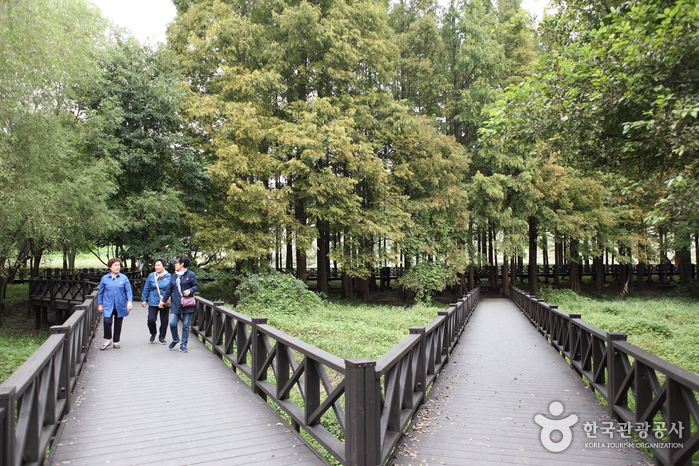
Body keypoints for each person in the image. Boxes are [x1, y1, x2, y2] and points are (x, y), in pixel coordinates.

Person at [159, 254, 198, 353]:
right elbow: (169, 289)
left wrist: (190, 290)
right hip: (176, 303)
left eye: (176, 263)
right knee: (172, 323)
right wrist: (163, 301)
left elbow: (196, 286)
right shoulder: (174, 276)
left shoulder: (191, 275)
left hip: (187, 303)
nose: (174, 264)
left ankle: (183, 344)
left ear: (182, 264)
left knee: (185, 325)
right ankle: (175, 339)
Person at [97, 258, 133, 350]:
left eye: (118, 265)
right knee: (107, 321)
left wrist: (129, 302)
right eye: (115, 265)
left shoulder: (123, 278)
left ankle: (116, 341)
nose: (117, 267)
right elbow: (100, 292)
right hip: (108, 304)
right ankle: (108, 339)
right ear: (110, 267)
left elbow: (128, 291)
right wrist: (100, 304)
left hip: (120, 304)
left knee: (118, 322)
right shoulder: (105, 278)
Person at [140, 257, 171, 344]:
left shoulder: (169, 276)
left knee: (164, 321)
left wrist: (165, 299)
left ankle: (162, 337)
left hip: (164, 301)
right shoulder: (151, 276)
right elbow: (146, 288)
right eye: (155, 265)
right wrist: (144, 299)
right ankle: (153, 332)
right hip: (153, 300)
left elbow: (171, 289)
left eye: (159, 265)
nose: (157, 267)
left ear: (163, 266)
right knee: (151, 319)